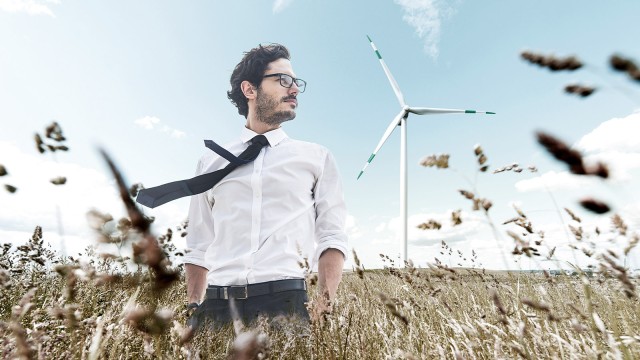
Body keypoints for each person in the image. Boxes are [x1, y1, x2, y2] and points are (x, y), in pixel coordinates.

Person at [183, 43, 348, 329]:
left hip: (287, 307)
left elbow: (332, 236)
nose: (294, 89)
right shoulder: (211, 162)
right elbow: (198, 243)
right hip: (216, 307)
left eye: (296, 83)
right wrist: (193, 306)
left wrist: (323, 307)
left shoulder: (316, 158)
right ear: (250, 89)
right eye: (283, 80)